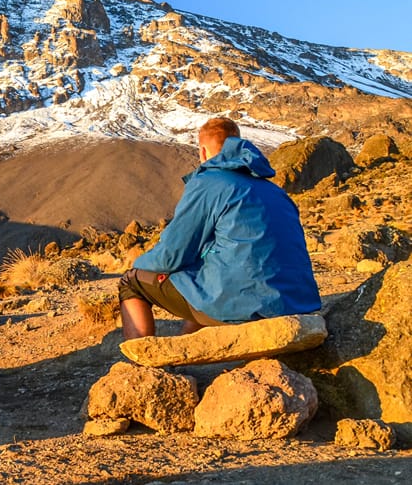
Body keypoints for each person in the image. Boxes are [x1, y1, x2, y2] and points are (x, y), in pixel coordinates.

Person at [119, 117, 321, 340]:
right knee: (201, 275)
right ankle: (187, 345)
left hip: (243, 305)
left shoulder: (209, 183)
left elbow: (171, 255)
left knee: (131, 282)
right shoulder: (274, 191)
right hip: (297, 302)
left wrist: (138, 266)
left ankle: (141, 362)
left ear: (203, 152)